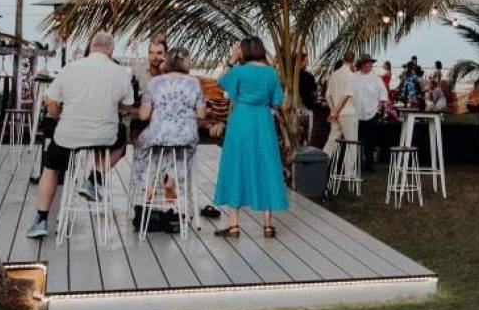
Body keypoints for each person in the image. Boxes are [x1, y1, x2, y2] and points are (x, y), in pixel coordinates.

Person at [25, 32, 134, 238]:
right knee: (122, 138)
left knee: (51, 167)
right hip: (105, 137)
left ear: (91, 47)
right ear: (111, 51)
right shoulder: (120, 73)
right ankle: (94, 178)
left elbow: (50, 102)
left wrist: (56, 113)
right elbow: (127, 107)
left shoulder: (70, 68)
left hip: (69, 136)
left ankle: (41, 220)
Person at [212, 36, 289, 237]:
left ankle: (234, 225)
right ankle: (268, 224)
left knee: (236, 166)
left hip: (241, 122)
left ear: (243, 51)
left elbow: (220, 83)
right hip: (263, 122)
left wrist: (231, 60)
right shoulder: (271, 73)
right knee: (266, 166)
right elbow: (278, 102)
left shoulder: (238, 71)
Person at [131, 47, 205, 233]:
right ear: (185, 62)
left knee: (144, 146)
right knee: (182, 150)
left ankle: (149, 184)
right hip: (185, 136)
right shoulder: (194, 82)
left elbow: (143, 116)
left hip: (160, 134)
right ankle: (171, 179)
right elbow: (202, 114)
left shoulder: (155, 83)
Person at [351, 54, 389, 171]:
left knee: (370, 141)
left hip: (371, 114)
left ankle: (369, 163)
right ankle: (354, 163)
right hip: (355, 114)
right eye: (367, 63)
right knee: (355, 140)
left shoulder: (376, 79)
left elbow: (383, 97)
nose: (369, 65)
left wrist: (378, 110)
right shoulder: (353, 77)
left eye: (370, 63)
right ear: (362, 64)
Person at [325, 51, 357, 169]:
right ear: (353, 60)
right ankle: (349, 174)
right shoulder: (352, 76)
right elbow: (346, 95)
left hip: (337, 114)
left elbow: (327, 95)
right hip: (348, 113)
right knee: (351, 144)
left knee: (331, 143)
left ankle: (321, 168)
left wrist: (333, 111)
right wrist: (335, 112)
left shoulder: (334, 74)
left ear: (343, 59)